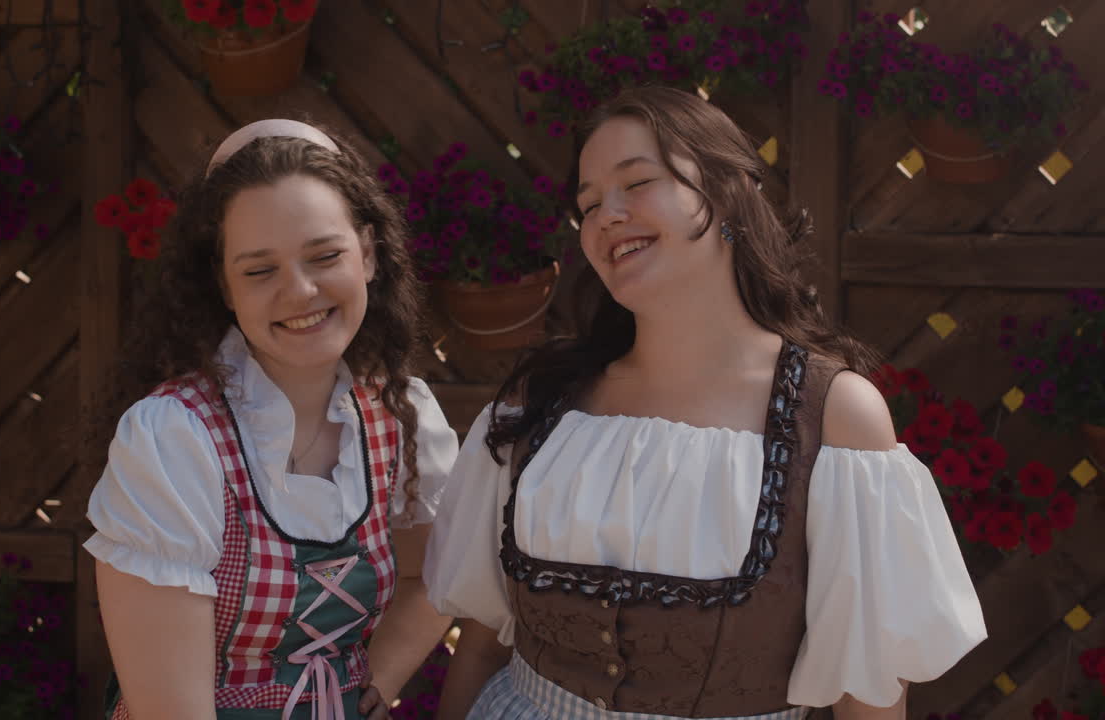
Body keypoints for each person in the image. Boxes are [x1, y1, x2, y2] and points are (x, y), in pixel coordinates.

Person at [425, 87, 987, 720]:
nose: (606, 214)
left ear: (724, 196)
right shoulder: (541, 403)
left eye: (636, 182)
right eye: (587, 205)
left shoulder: (834, 417)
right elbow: (479, 647)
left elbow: (870, 697)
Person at [85, 119, 457, 720]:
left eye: (325, 255)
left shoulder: (402, 417)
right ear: (224, 286)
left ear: (367, 253)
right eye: (260, 270)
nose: (302, 290)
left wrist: (378, 680)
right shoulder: (174, 439)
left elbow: (435, 575)